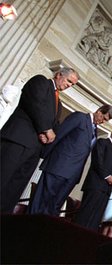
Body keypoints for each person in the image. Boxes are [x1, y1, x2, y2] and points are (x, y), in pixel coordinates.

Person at [0, 67, 79, 213]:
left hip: (34, 150)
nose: (69, 85)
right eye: (69, 81)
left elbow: (54, 126)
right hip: (18, 140)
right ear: (59, 75)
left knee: (14, 190)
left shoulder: (59, 104)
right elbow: (35, 104)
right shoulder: (41, 81)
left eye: (72, 84)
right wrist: (46, 129)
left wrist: (50, 135)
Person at [28, 104, 112, 216]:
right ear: (99, 111)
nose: (103, 121)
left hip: (73, 175)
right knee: (41, 203)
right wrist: (44, 155)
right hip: (58, 167)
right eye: (103, 118)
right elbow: (58, 135)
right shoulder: (79, 117)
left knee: (54, 209)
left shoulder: (95, 131)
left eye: (106, 121)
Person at [74, 126, 112, 230]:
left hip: (106, 189)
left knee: (96, 218)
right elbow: (97, 161)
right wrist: (107, 176)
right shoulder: (102, 142)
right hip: (95, 185)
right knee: (85, 215)